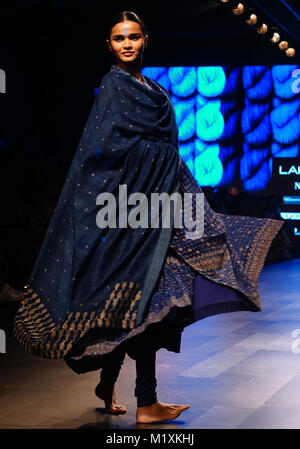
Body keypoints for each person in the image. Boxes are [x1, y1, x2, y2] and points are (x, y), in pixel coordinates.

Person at [13, 11, 284, 424]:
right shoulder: (112, 87)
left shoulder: (154, 88)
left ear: (145, 40)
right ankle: (145, 402)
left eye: (134, 37)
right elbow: (102, 154)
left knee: (149, 306)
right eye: (119, 38)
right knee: (140, 308)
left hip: (163, 210)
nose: (127, 44)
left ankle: (121, 389)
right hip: (127, 216)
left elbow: (168, 152)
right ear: (109, 44)